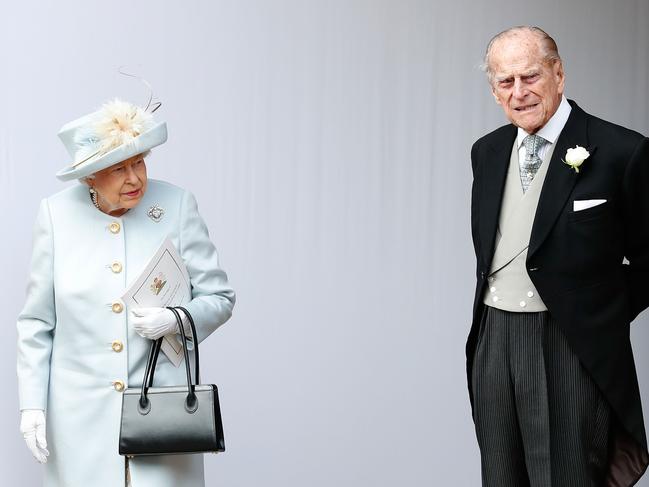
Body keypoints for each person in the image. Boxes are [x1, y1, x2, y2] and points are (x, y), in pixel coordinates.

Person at [17, 99, 236, 486]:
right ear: (88, 177)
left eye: (139, 162)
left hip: (164, 418)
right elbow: (37, 323)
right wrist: (32, 405)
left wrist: (177, 319)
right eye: (118, 169)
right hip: (80, 421)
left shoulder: (176, 205)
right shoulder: (55, 216)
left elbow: (219, 297)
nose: (134, 178)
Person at [467, 26, 649, 486]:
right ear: (494, 92)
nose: (519, 92)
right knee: (501, 476)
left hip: (569, 343)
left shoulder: (622, 150)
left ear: (559, 74)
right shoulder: (486, 152)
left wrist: (598, 312)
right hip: (494, 339)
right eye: (505, 82)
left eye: (530, 76)